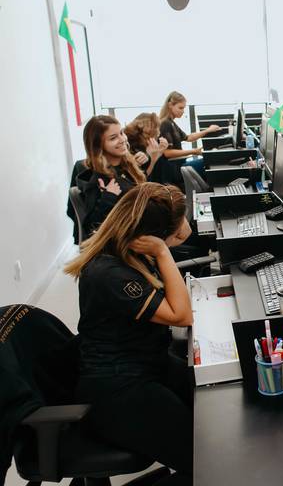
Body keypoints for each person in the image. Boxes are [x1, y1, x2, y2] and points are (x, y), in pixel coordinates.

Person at [63, 182, 193, 484]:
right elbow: (182, 315)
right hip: (119, 388)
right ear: (151, 236)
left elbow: (184, 232)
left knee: (213, 414)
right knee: (207, 460)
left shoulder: (125, 248)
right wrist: (162, 251)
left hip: (147, 364)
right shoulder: (110, 273)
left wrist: (172, 206)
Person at [71, 115, 146, 239]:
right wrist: (108, 197)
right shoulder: (99, 179)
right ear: (98, 146)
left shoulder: (127, 166)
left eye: (121, 133)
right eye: (113, 138)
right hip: (126, 241)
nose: (122, 139)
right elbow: (91, 227)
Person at [124, 112, 172, 184]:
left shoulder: (146, 143)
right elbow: (143, 178)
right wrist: (152, 157)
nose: (158, 132)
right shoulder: (132, 146)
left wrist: (159, 153)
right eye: (155, 128)